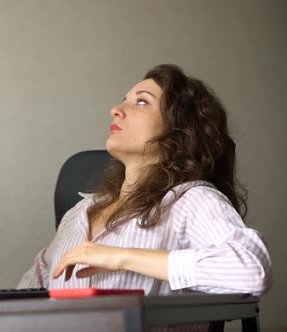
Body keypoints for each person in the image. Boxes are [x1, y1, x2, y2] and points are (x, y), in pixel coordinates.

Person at [17, 65, 272, 327]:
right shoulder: (79, 213)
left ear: (181, 130)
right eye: (124, 100)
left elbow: (251, 271)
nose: (116, 110)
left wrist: (120, 257)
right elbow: (18, 306)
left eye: (141, 102)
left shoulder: (191, 201)